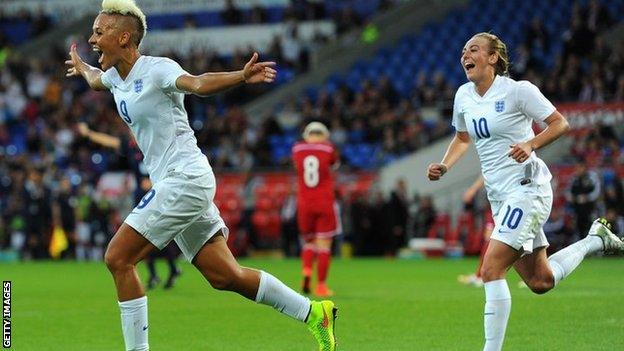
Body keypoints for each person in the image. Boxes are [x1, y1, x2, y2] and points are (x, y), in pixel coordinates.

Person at [65, 1, 336, 350]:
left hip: (185, 178)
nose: (92, 38)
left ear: (124, 37)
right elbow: (93, 79)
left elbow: (196, 83)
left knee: (118, 257)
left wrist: (240, 76)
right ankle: (315, 313)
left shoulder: (157, 70)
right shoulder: (116, 76)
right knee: (226, 276)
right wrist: (81, 65)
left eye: (99, 33)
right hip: (176, 183)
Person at [426, 32, 624, 351]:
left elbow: (560, 123)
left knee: (491, 269)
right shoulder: (463, 95)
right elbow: (463, 138)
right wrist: (445, 165)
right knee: (540, 281)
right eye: (464, 50)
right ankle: (595, 240)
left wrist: (530, 144)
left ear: (493, 58)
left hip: (527, 189)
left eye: (474, 49)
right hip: (499, 197)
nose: (466, 55)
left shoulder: (519, 91)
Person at [77, 122, 181, 290]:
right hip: (141, 195)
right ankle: (159, 272)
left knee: (156, 234)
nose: (133, 132)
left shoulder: (153, 141)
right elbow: (110, 141)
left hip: (159, 191)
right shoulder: (130, 146)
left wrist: (156, 181)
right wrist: (89, 133)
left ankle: (169, 268)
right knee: (143, 234)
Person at [292, 122, 339, 297]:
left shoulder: (297, 149)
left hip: (305, 203)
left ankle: (306, 271)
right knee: (324, 246)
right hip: (324, 202)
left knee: (308, 243)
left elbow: (297, 168)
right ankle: (321, 286)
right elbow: (334, 165)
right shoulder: (328, 148)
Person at [457, 175, 493, 288]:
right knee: (489, 238)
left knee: (491, 238)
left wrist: (473, 189)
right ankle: (480, 275)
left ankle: (482, 275)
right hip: (496, 202)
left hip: (506, 200)